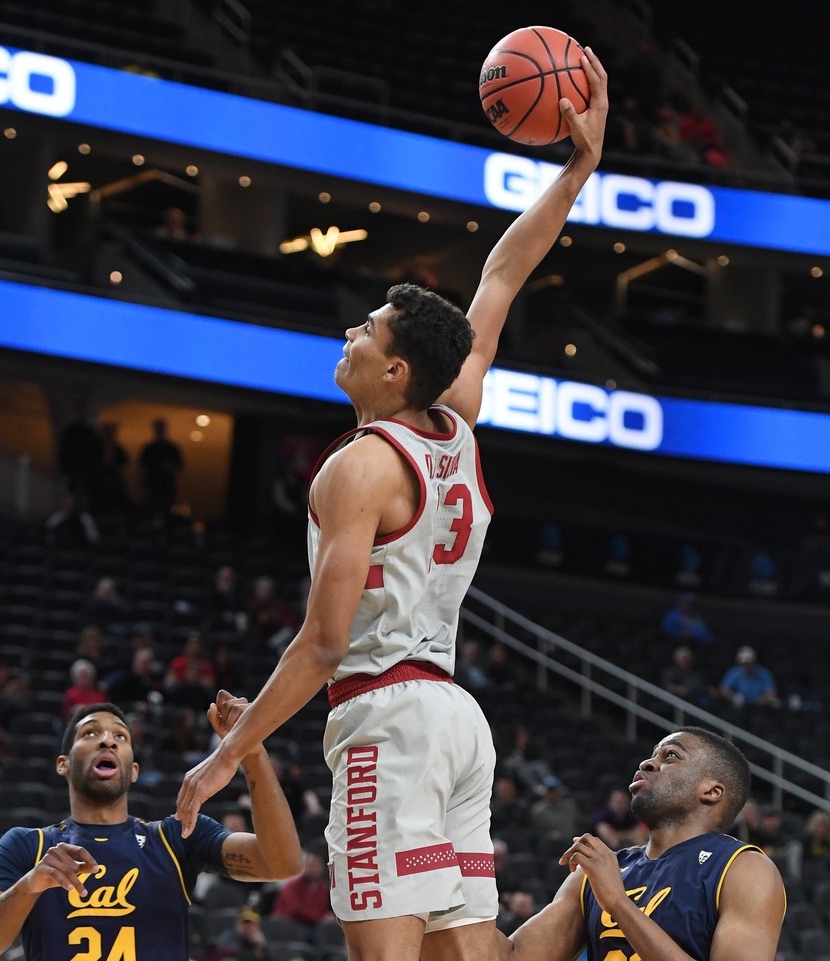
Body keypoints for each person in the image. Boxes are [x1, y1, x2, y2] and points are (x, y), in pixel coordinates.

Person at [174, 50, 607, 961]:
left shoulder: (360, 467)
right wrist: (577, 172)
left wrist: (227, 755)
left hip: (388, 717)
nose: (349, 332)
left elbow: (324, 642)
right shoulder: (457, 414)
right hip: (456, 717)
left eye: (365, 329)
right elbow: (500, 276)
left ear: (396, 369)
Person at [0, 699, 302, 961]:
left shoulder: (176, 837)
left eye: (120, 736)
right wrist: (31, 884)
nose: (107, 740)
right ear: (63, 763)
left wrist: (252, 752)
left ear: (133, 769)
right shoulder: (27, 846)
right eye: (90, 733)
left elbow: (283, 863)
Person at [504, 727, 786, 961]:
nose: (647, 763)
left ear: (711, 791)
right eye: (652, 755)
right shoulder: (597, 875)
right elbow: (510, 957)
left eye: (671, 755)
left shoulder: (744, 869)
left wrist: (618, 903)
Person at [270, 845, 334, 929]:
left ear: (322, 868)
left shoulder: (323, 888)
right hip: (289, 924)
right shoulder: (292, 885)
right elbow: (295, 909)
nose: (313, 869)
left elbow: (323, 908)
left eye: (316, 865)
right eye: (311, 865)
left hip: (313, 925)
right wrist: (320, 917)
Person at [139, 417, 184, 525]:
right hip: (153, 486)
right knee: (150, 515)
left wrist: (169, 468)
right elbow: (142, 467)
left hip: (166, 487)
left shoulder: (172, 448)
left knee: (167, 515)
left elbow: (180, 467)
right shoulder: (149, 448)